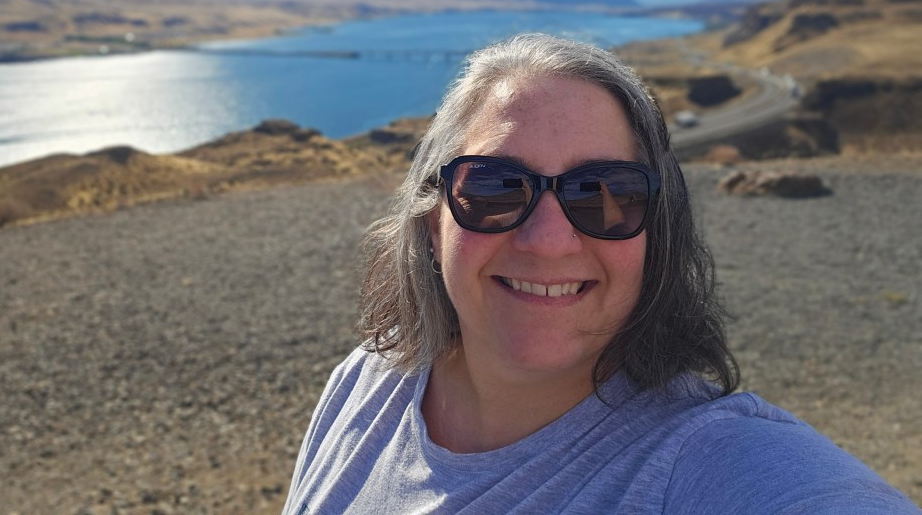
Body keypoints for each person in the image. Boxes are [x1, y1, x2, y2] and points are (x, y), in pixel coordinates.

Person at [282, 33, 920, 514]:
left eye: (606, 193)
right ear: (432, 222)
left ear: (657, 236)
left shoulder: (707, 462)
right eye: (495, 188)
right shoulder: (368, 384)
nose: (548, 241)